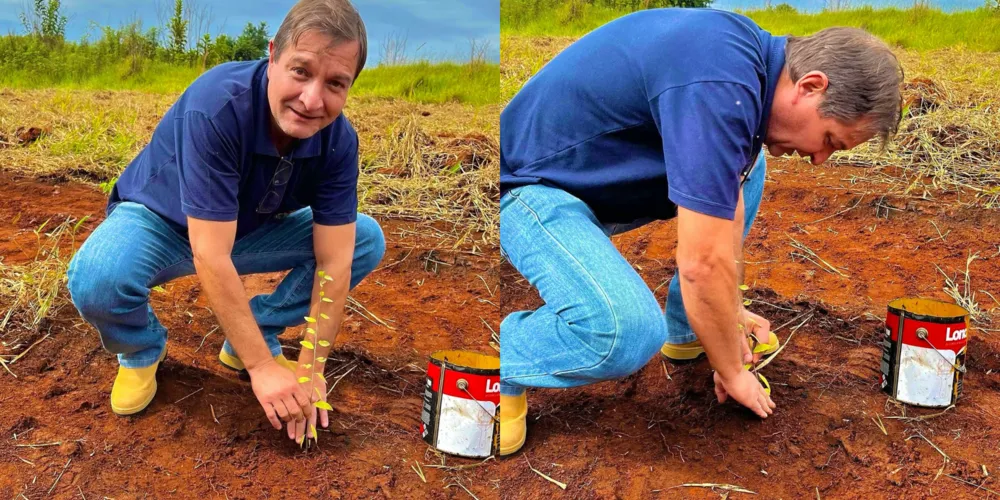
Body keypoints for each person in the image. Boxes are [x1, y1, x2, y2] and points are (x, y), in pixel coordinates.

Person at [498, 8, 902, 455]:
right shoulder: (718, 85)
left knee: (750, 167)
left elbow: (729, 200)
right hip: (527, 185)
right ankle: (500, 359)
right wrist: (732, 371)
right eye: (830, 140)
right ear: (810, 87)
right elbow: (702, 263)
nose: (819, 159)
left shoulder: (749, 68)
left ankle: (690, 328)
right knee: (623, 332)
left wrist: (726, 315)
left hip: (593, 173)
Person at [66, 0, 384, 446]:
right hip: (162, 224)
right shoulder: (218, 106)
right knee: (98, 277)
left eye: (335, 83)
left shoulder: (338, 142)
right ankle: (140, 350)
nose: (313, 100)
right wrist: (263, 369)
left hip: (244, 230)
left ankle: (255, 332)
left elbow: (334, 260)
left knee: (364, 239)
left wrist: (312, 367)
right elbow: (209, 254)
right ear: (272, 55)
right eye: (300, 71)